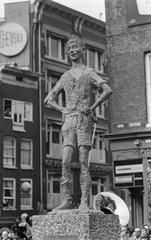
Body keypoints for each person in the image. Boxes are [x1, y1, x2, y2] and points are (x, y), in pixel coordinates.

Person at [44, 34, 112, 212]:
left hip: (84, 119)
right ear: (67, 53)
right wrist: (63, 110)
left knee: (83, 162)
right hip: (69, 120)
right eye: (69, 49)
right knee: (65, 162)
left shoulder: (89, 72)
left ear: (83, 51)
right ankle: (67, 200)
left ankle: (83, 201)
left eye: (76, 48)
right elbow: (48, 99)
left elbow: (107, 89)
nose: (73, 51)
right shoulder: (65, 76)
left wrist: (93, 106)